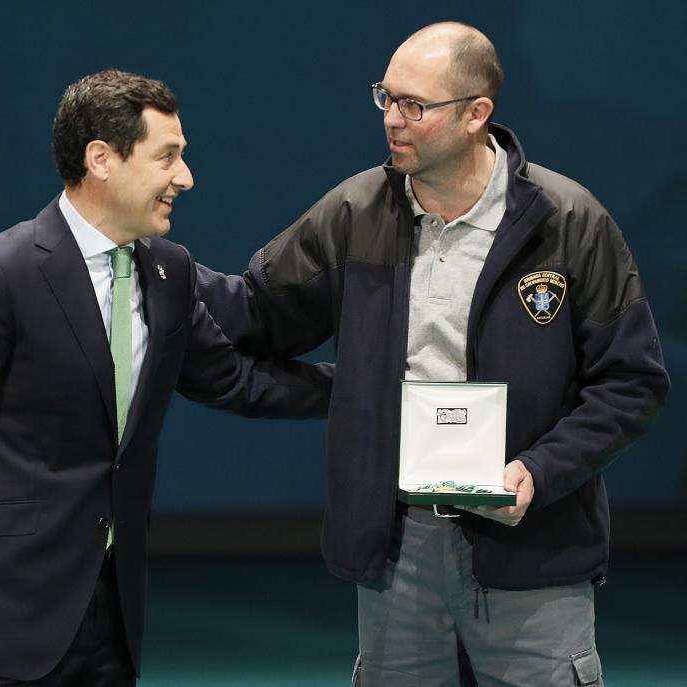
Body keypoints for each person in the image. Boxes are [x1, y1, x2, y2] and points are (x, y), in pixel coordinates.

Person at [196, 22, 669, 687]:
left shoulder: (570, 221)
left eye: (414, 105)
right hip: (398, 545)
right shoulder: (356, 211)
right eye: (386, 98)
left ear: (478, 113)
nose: (393, 119)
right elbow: (253, 310)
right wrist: (150, 266)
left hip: (533, 543)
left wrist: (541, 467)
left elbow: (631, 383)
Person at [0, 69, 332, 687]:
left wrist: (368, 389)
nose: (185, 178)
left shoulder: (169, 270)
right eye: (168, 157)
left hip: (114, 607)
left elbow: (238, 382)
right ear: (101, 159)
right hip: (2, 607)